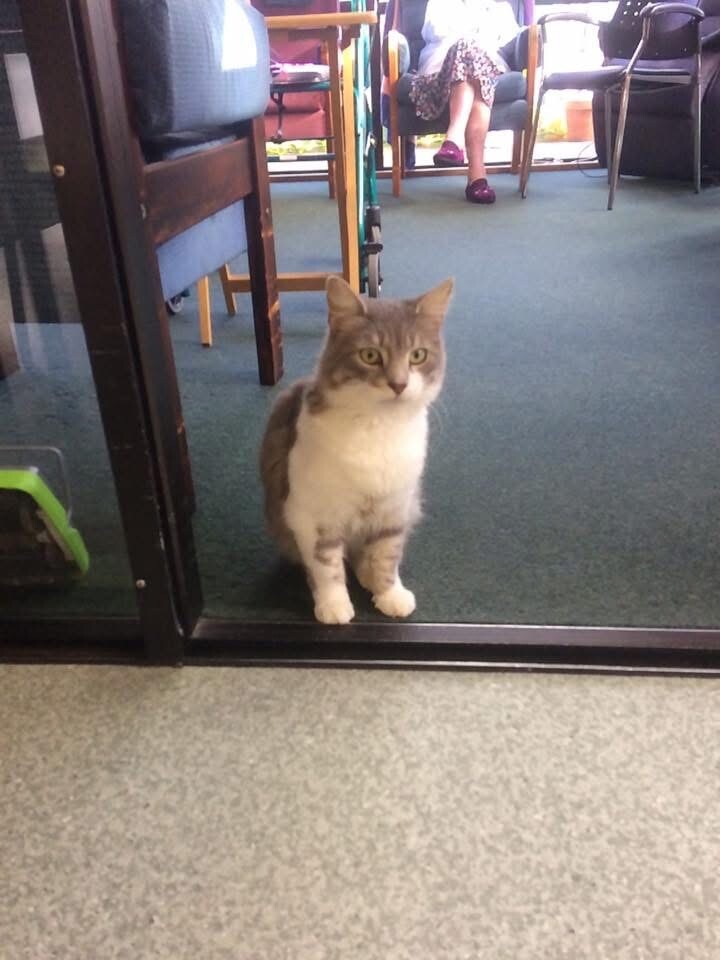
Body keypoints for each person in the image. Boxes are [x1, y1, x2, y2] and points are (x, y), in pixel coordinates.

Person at [410, 0, 519, 204]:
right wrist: (473, 35)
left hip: (487, 67)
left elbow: (509, 39)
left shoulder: (500, 7)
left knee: (475, 63)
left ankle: (454, 140)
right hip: (442, 68)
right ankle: (477, 178)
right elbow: (436, 31)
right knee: (466, 48)